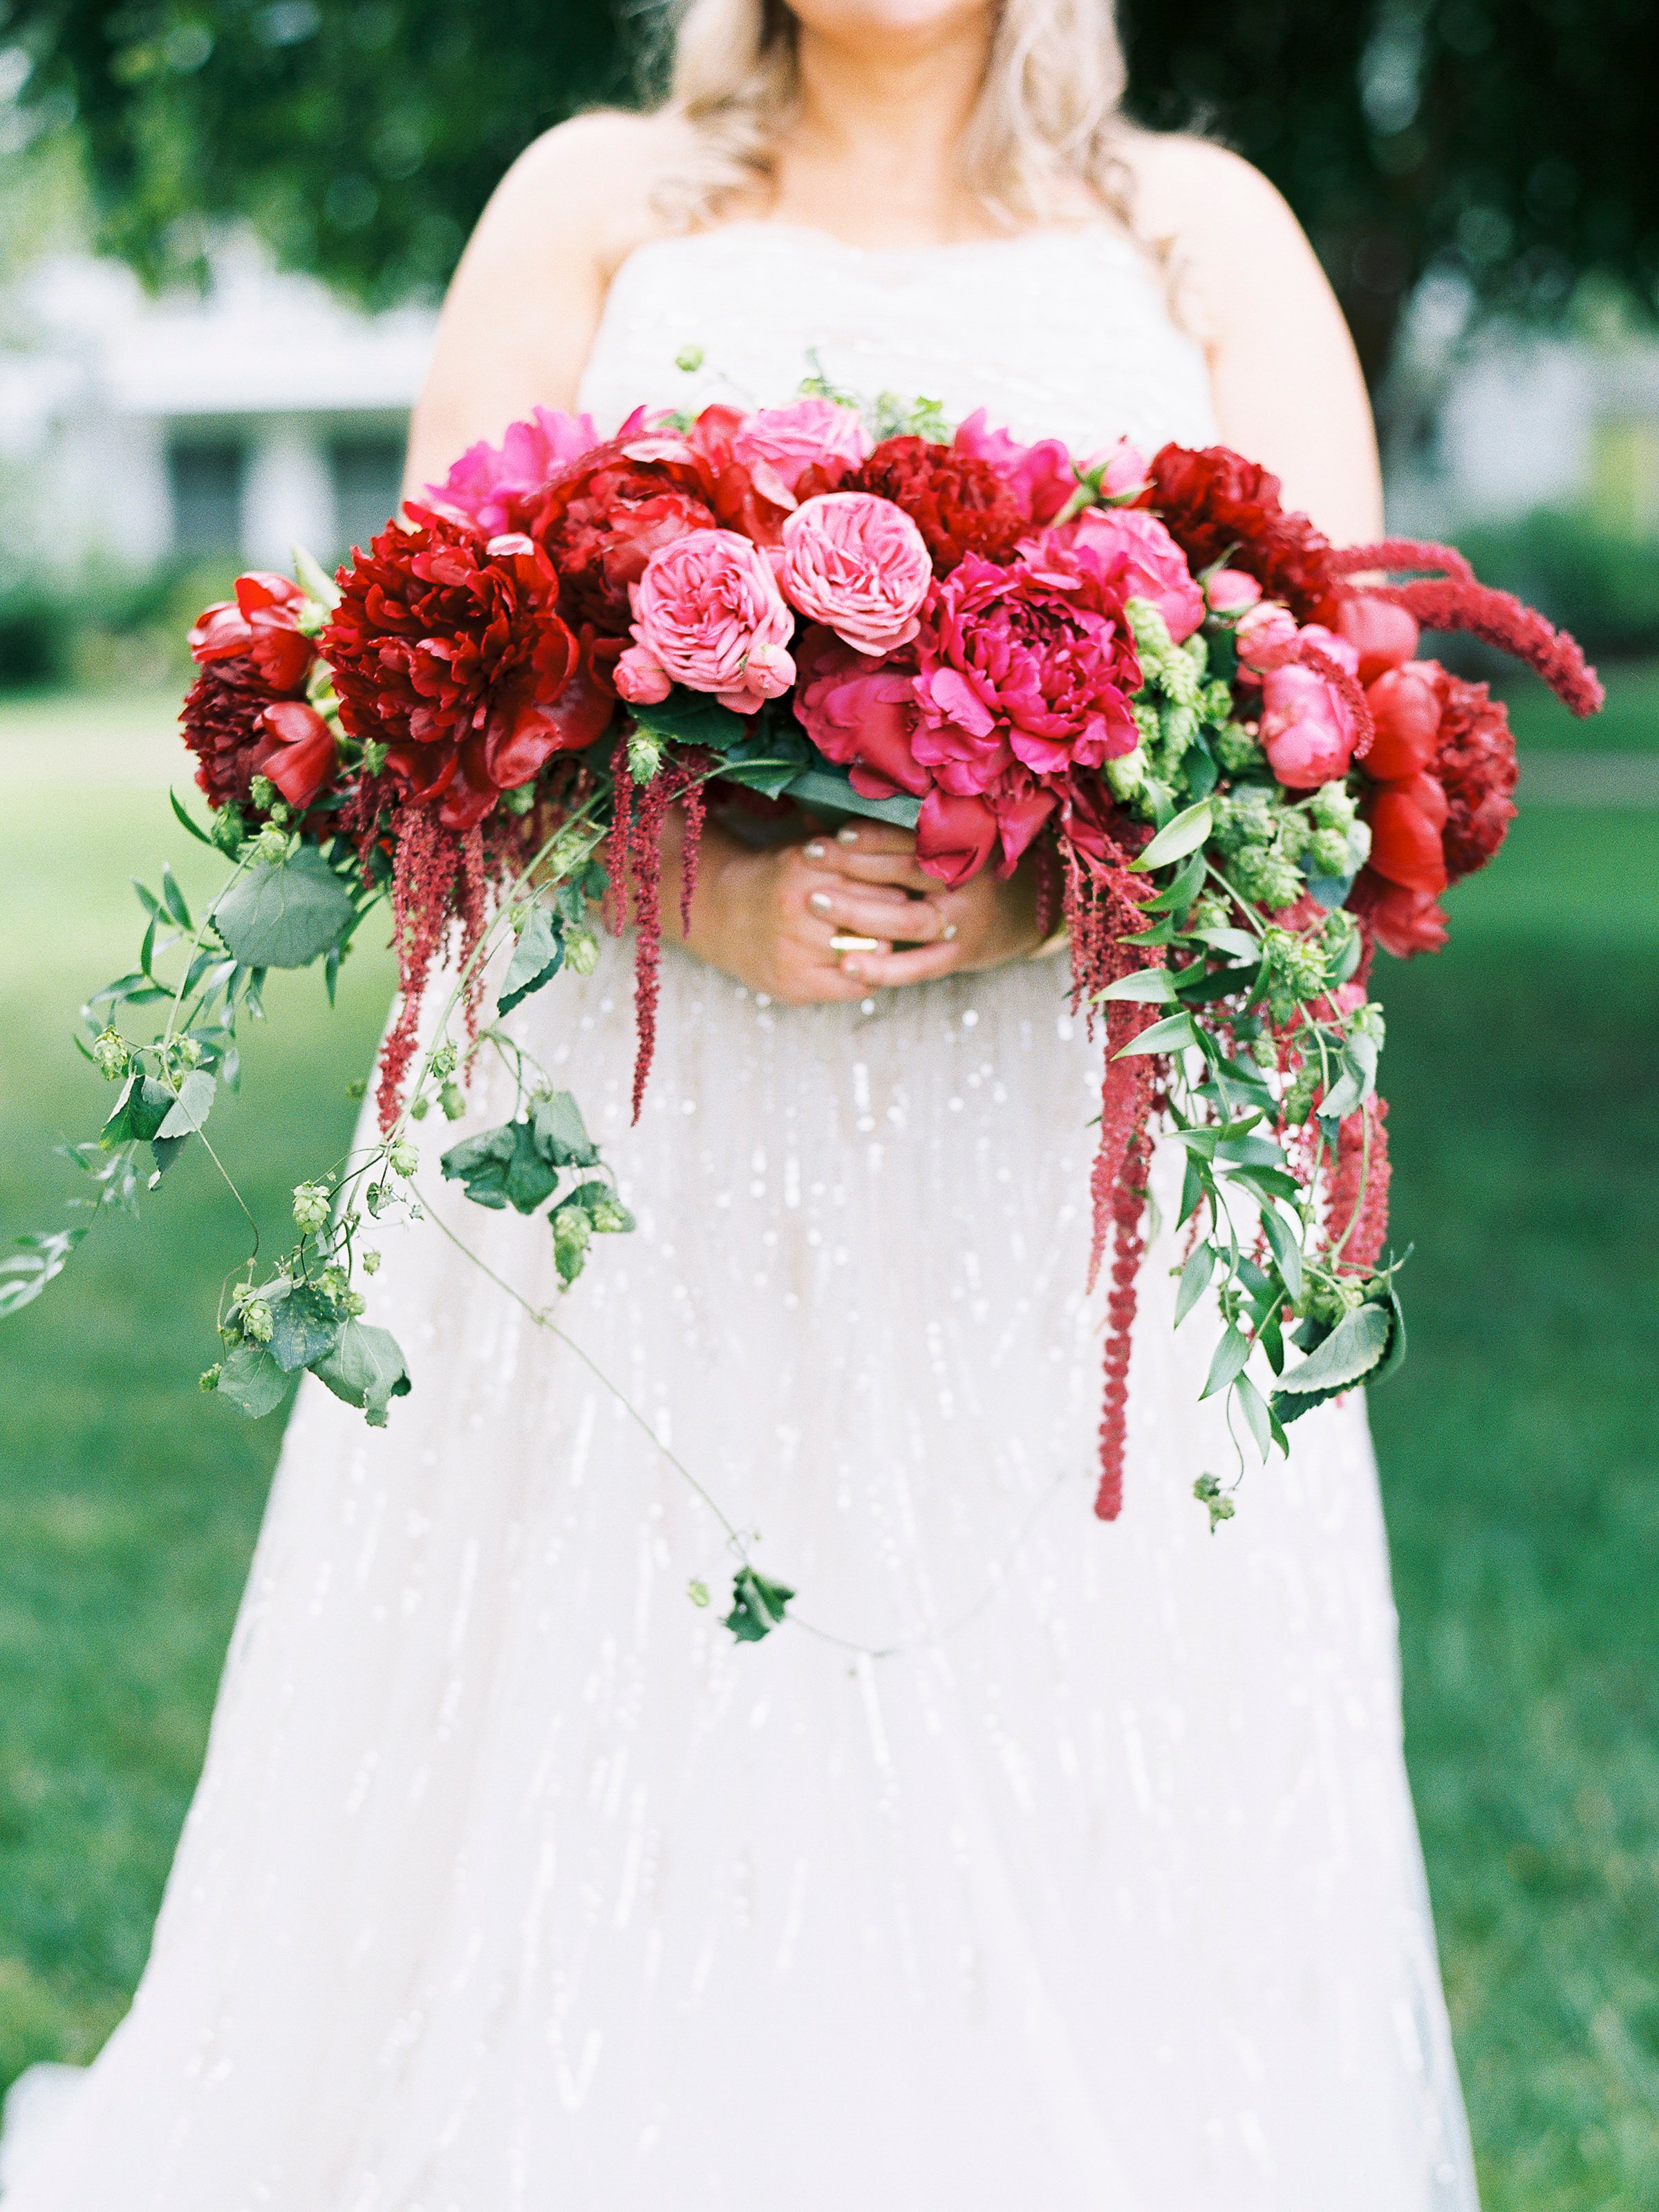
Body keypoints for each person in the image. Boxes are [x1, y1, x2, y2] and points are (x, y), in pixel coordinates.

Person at [0, 2, 1481, 2205]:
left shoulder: (1204, 240)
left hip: (1060, 1183)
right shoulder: (595, 206)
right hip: (648, 1145)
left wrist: (1018, 905)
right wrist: (699, 890)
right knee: (640, 1729)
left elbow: (1329, 738)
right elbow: (418, 685)